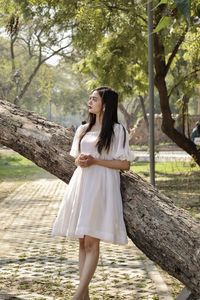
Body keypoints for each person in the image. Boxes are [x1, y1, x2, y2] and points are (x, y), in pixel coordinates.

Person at [52, 86, 131, 300]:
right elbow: (76, 157)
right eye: (89, 98)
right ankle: (84, 296)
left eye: (94, 99)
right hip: (82, 184)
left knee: (91, 242)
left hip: (101, 187)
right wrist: (81, 160)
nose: (90, 102)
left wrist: (95, 160)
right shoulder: (83, 129)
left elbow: (125, 164)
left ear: (105, 104)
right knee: (81, 241)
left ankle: (78, 295)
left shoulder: (117, 130)